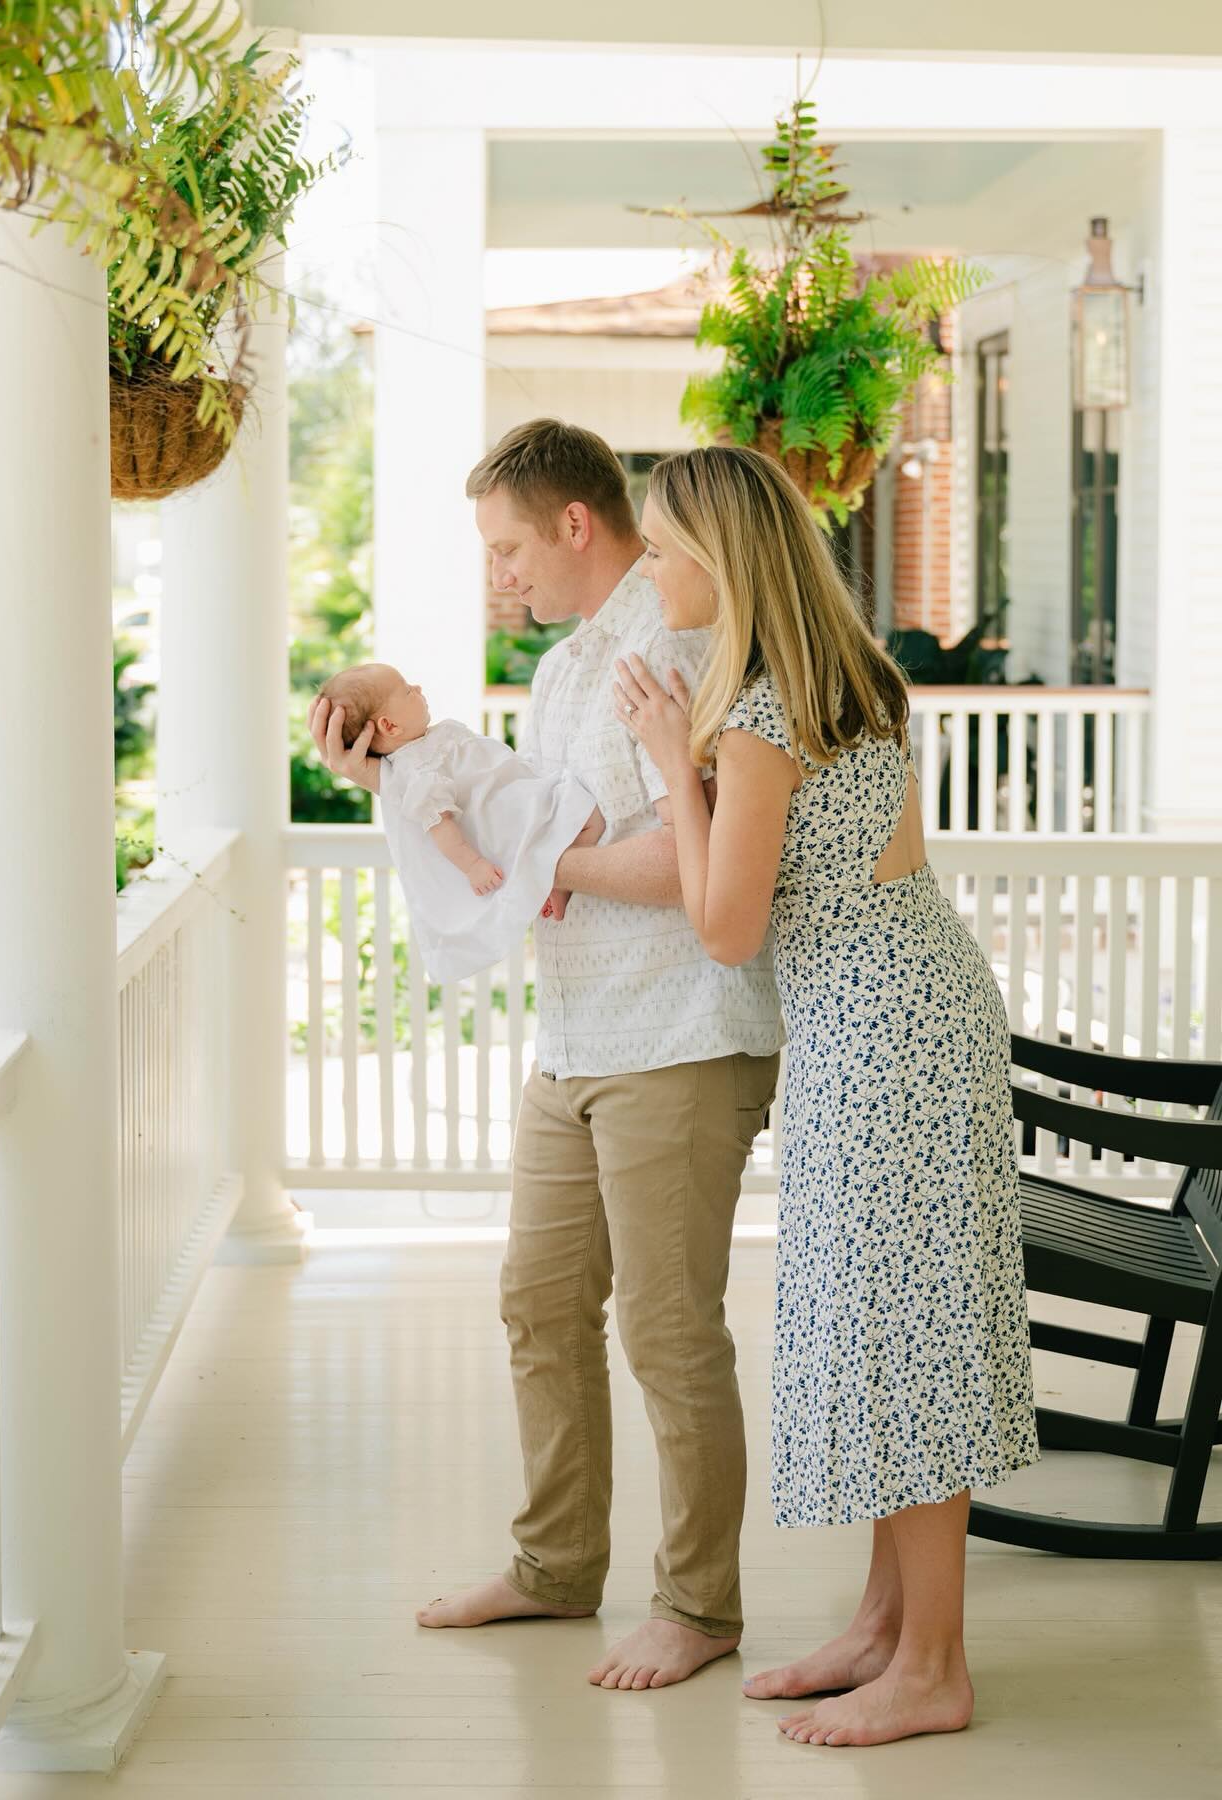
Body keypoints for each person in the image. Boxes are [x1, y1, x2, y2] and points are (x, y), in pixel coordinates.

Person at [308, 419, 783, 1691]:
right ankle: (556, 1567)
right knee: (538, 1304)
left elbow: (690, 863)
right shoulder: (576, 663)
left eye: (509, 546)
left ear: (576, 523)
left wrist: (533, 868)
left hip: (679, 1037)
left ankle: (699, 1605)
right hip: (577, 1037)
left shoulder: (676, 637)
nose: (497, 575)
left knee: (670, 1330)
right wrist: (412, 772)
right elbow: (545, 826)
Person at [614, 443, 1040, 1747]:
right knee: (886, 1322)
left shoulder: (750, 717)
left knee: (899, 1334)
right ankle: (883, 1628)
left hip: (883, 1036)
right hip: (911, 1008)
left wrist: (665, 764)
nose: (649, 568)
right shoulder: (832, 675)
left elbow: (726, 926)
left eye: (662, 547)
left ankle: (936, 1666)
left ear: (720, 561)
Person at [316, 659, 602, 981]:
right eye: (408, 690)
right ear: (389, 726)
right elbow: (441, 827)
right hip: (509, 812)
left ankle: (555, 885)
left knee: (581, 815)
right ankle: (557, 887)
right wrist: (472, 865)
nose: (419, 689)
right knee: (586, 814)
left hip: (520, 792)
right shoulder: (414, 772)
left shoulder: (431, 740)